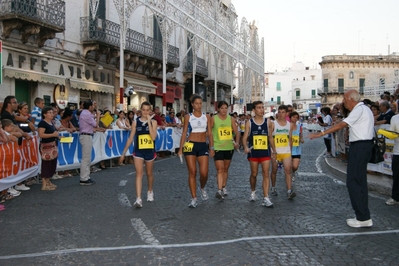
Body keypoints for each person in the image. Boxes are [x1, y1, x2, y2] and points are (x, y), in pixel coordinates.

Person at [308, 89, 374, 228]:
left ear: (351, 99)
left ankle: (362, 217)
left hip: (360, 146)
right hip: (364, 146)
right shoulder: (365, 109)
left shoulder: (359, 109)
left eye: (344, 99)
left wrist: (321, 134)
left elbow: (342, 124)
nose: (343, 102)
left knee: (354, 182)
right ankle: (364, 216)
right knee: (359, 181)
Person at [177, 94, 214, 208]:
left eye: (200, 103)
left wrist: (211, 148)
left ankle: (202, 187)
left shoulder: (206, 116)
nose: (199, 105)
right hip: (190, 145)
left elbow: (210, 133)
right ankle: (194, 198)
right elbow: (184, 133)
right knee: (192, 172)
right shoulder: (188, 117)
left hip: (203, 145)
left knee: (204, 173)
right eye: (196, 103)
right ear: (192, 104)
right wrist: (180, 148)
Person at [119, 102, 158, 208]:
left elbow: (153, 137)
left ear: (150, 111)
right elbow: (131, 138)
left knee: (149, 173)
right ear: (141, 110)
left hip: (150, 150)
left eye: (147, 110)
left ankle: (150, 190)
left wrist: (149, 122)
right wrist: (123, 153)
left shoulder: (154, 122)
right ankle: (138, 199)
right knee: (139, 173)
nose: (145, 112)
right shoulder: (135, 122)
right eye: (143, 110)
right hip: (138, 151)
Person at [243, 101, 276, 207]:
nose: (262, 110)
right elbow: (244, 137)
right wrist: (245, 147)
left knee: (266, 173)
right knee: (254, 174)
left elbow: (270, 137)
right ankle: (253, 192)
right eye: (259, 108)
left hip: (265, 151)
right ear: (254, 110)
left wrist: (274, 151)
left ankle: (266, 197)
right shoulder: (249, 123)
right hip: (253, 153)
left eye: (262, 107)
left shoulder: (268, 122)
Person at [211, 101, 240, 200]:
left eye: (225, 108)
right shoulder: (213, 119)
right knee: (220, 169)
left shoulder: (231, 119)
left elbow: (237, 132)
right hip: (218, 147)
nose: (224, 110)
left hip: (229, 147)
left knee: (226, 169)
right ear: (218, 109)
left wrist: (237, 142)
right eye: (222, 108)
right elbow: (209, 133)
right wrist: (211, 147)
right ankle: (219, 190)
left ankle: (223, 186)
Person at [270, 105, 296, 199]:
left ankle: (289, 191)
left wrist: (291, 152)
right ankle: (273, 187)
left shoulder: (290, 125)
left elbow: (290, 139)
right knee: (274, 170)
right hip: (276, 152)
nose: (281, 114)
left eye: (283, 112)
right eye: (279, 112)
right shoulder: (273, 124)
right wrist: (273, 151)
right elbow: (270, 138)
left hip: (286, 151)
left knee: (288, 170)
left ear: (286, 113)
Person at [78, 99, 104, 186]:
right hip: (86, 136)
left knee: (87, 158)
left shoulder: (85, 113)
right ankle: (83, 178)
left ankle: (86, 176)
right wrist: (98, 116)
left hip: (87, 135)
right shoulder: (87, 114)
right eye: (92, 105)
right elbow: (95, 124)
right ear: (89, 106)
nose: (94, 107)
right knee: (86, 158)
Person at [38, 106, 60, 191]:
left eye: (52, 112)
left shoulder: (52, 122)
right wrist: (53, 135)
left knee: (52, 163)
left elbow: (54, 133)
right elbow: (41, 135)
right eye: (49, 112)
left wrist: (58, 136)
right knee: (46, 164)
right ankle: (44, 184)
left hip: (53, 144)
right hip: (46, 145)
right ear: (44, 114)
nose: (52, 114)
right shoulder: (42, 123)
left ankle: (48, 181)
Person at [385, 113, 399, 205]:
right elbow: (391, 134)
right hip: (398, 152)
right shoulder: (394, 118)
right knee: (397, 176)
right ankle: (395, 197)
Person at [290, 111, 304, 181]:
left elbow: (301, 136)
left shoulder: (299, 127)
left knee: (295, 166)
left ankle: (293, 172)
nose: (295, 119)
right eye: (293, 117)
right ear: (290, 118)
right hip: (288, 149)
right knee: (289, 165)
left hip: (297, 149)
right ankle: (288, 175)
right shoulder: (287, 127)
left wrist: (302, 139)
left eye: (296, 117)